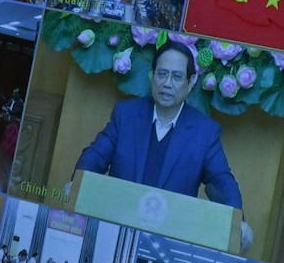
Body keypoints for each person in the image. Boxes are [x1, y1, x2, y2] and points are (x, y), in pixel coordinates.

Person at [73, 43, 251, 244]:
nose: (167, 83)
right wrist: (77, 184)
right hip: (116, 228)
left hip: (168, 240)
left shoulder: (204, 133)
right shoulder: (126, 115)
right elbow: (95, 156)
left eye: (177, 77)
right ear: (152, 76)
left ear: (191, 82)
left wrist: (238, 222)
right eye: (162, 74)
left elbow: (221, 181)